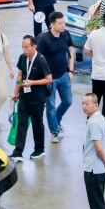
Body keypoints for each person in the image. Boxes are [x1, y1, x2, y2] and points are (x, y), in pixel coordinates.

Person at [10, 35, 53, 162]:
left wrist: (32, 83)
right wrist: (15, 93)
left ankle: (39, 149)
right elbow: (20, 75)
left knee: (37, 123)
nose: (24, 50)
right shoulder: (22, 57)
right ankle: (18, 151)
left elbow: (49, 79)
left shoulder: (41, 60)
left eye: (26, 47)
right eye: (23, 47)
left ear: (34, 46)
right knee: (21, 123)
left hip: (37, 98)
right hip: (24, 97)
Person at [37, 11, 75, 143]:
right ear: (52, 24)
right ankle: (54, 131)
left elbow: (71, 52)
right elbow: (38, 58)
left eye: (64, 22)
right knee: (51, 106)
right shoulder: (43, 39)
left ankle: (56, 121)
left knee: (68, 101)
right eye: (60, 23)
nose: (63, 25)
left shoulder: (66, 34)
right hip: (50, 79)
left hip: (64, 75)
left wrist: (71, 70)